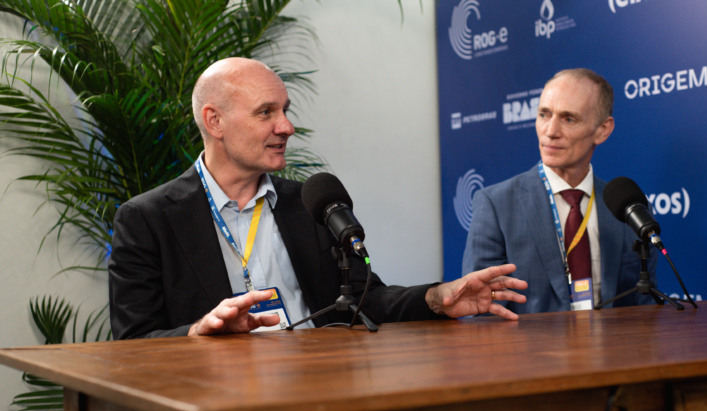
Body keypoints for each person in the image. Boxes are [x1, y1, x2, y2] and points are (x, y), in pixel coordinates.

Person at [108, 57, 527, 339]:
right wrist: (199, 331)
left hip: (319, 395)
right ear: (214, 121)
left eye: (285, 110)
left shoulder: (311, 203)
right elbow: (133, 342)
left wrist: (438, 297)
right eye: (266, 112)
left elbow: (364, 299)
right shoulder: (147, 219)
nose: (287, 127)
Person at [462, 68, 657, 314]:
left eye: (568, 119)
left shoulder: (628, 208)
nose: (550, 131)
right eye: (544, 114)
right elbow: (482, 313)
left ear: (602, 130)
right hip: (530, 351)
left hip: (613, 351)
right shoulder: (496, 205)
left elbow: (645, 309)